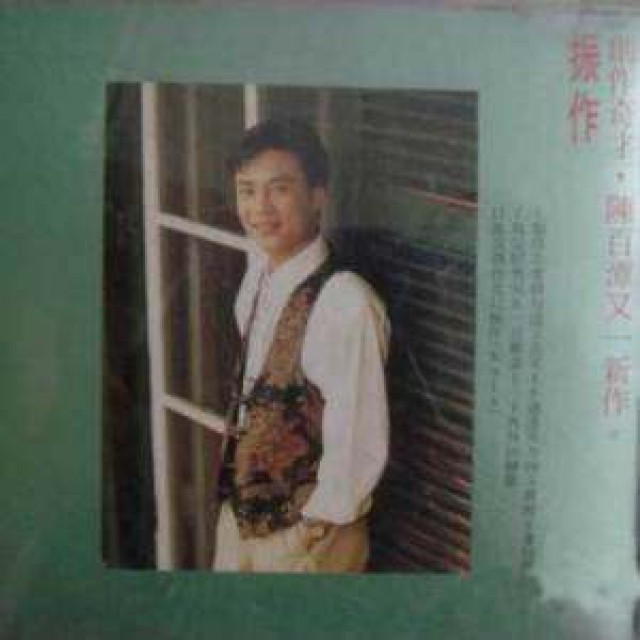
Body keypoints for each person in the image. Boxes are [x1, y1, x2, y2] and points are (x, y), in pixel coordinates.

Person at [213, 119, 389, 573]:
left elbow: (358, 441)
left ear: (317, 196)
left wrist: (311, 532)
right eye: (247, 190)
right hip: (241, 524)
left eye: (279, 189)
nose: (260, 208)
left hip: (307, 539)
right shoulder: (257, 275)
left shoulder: (345, 302)